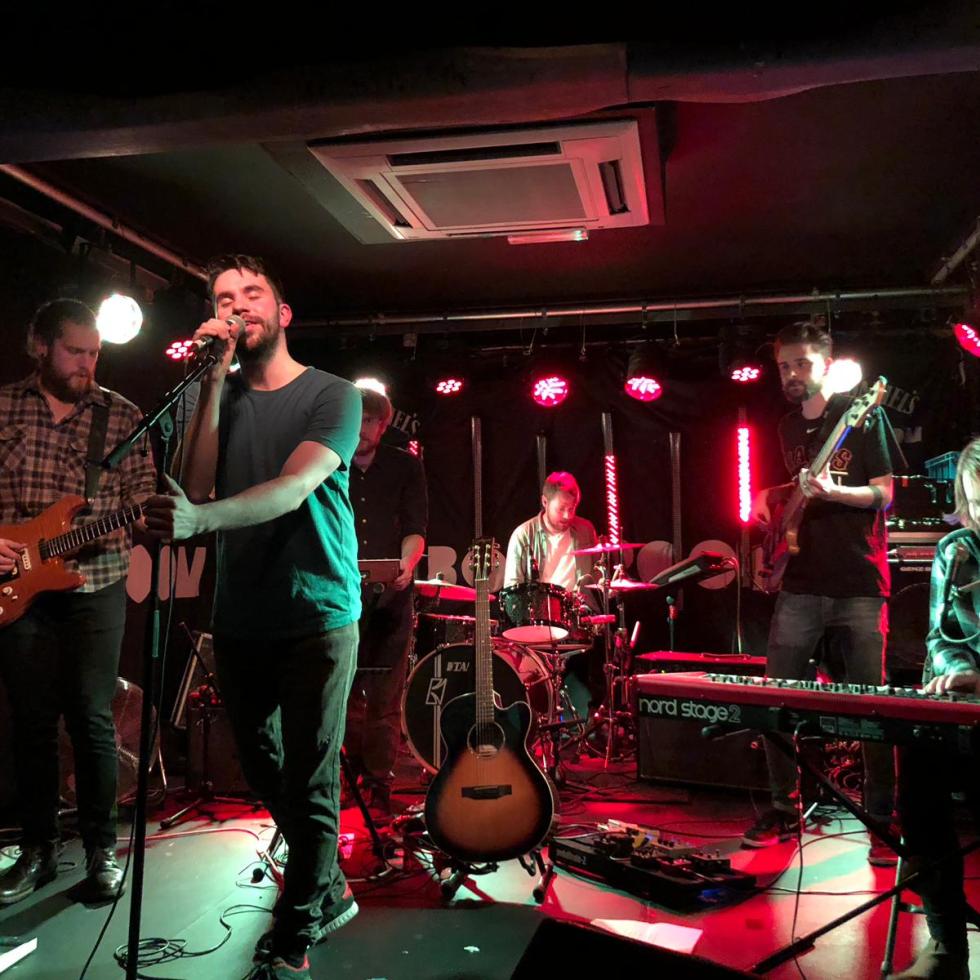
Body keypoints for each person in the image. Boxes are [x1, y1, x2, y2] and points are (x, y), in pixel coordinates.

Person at [144, 255, 361, 980]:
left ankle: (295, 932)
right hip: (240, 613)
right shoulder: (214, 394)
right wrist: (211, 378)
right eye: (223, 299)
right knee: (261, 764)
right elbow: (194, 481)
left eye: (252, 294)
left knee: (311, 777)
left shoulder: (333, 395)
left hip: (319, 612)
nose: (238, 307)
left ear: (282, 312)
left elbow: (293, 487)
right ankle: (327, 882)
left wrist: (200, 519)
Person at [0, 298, 155, 905]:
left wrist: (151, 515)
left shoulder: (122, 416)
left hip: (97, 581)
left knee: (92, 719)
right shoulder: (4, 406)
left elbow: (143, 494)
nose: (87, 363)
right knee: (32, 721)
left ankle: (100, 851)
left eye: (95, 353)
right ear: (40, 346)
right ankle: (38, 849)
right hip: (18, 586)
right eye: (75, 351)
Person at [744, 321, 897, 865]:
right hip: (801, 583)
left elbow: (883, 493)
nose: (790, 374)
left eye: (801, 363)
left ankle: (882, 820)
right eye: (784, 366)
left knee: (872, 708)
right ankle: (782, 810)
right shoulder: (787, 426)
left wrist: (836, 491)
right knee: (775, 699)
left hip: (858, 581)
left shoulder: (863, 415)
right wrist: (771, 493)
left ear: (827, 365)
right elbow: (801, 488)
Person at [889, 437, 980, 980]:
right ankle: (947, 944)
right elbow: (940, 638)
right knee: (918, 777)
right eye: (978, 499)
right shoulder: (958, 550)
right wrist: (954, 671)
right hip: (969, 722)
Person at [344, 383, 426, 818]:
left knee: (385, 698)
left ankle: (378, 783)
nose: (361, 428)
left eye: (370, 420)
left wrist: (407, 565)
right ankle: (346, 778)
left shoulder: (405, 466)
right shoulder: (329, 464)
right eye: (356, 418)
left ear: (383, 425)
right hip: (340, 598)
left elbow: (416, 527)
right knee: (342, 695)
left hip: (390, 600)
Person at [504, 471, 598, 591]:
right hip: (540, 602)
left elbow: (597, 573)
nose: (567, 515)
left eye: (571, 508)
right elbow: (512, 588)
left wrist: (604, 586)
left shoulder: (586, 530)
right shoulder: (523, 535)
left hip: (579, 602)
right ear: (545, 502)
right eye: (561, 509)